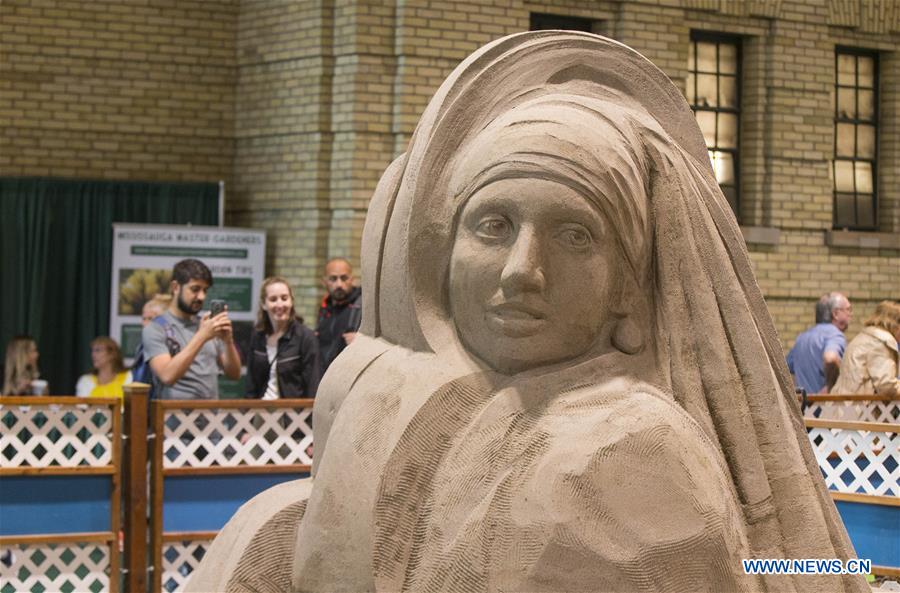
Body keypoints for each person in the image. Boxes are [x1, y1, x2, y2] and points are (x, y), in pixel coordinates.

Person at [188, 32, 865, 593]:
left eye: (574, 236)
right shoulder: (393, 394)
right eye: (493, 224)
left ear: (629, 287)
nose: (522, 272)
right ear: (443, 250)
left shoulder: (630, 454)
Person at [141, 259, 241, 399]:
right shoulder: (156, 328)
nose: (201, 297)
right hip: (173, 417)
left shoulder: (207, 325)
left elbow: (234, 374)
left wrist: (228, 341)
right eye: (195, 289)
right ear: (176, 287)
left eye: (205, 290)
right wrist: (202, 336)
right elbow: (167, 376)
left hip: (212, 416)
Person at [246, 277, 321, 399]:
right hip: (260, 410)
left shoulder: (306, 337)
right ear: (264, 304)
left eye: (284, 298)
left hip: (293, 413)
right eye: (273, 299)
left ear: (291, 301)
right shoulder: (257, 336)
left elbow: (313, 383)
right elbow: (251, 383)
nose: (279, 304)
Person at [787, 292, 852, 393]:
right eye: (848, 309)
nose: (850, 314)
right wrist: (832, 387)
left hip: (803, 406)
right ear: (835, 314)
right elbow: (830, 358)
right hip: (825, 406)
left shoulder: (802, 338)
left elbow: (786, 366)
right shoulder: (835, 335)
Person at [832, 300, 900, 396]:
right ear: (895, 324)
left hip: (842, 405)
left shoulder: (864, 337)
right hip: (859, 407)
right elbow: (886, 385)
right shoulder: (881, 342)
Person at [315, 258, 362, 373]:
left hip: (350, 377)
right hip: (323, 378)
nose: (339, 284)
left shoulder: (364, 305)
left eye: (344, 278)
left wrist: (363, 341)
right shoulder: (325, 307)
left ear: (352, 280)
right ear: (324, 281)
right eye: (333, 279)